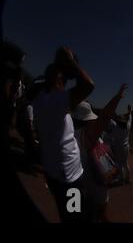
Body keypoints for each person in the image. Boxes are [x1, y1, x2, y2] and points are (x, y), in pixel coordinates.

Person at [33, 47, 95, 223]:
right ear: (58, 79)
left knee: (69, 214)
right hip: (69, 179)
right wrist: (70, 61)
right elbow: (88, 85)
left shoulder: (40, 100)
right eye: (64, 78)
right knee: (77, 218)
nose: (66, 82)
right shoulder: (56, 100)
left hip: (56, 174)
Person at [73, 84, 127, 222]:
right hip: (96, 183)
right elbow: (104, 117)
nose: (94, 121)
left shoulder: (73, 134)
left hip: (82, 181)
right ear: (85, 121)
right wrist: (117, 98)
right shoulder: (89, 134)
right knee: (102, 214)